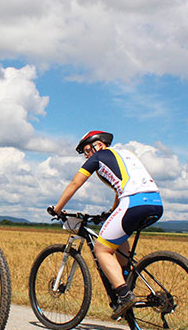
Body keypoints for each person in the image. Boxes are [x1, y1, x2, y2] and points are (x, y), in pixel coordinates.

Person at [49, 131, 163, 319]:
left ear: (99, 145)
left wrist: (58, 208)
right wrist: (112, 211)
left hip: (133, 203)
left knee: (102, 250)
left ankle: (125, 295)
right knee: (118, 246)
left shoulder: (99, 157)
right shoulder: (126, 154)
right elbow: (125, 185)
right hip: (155, 202)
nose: (86, 156)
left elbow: (75, 183)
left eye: (87, 150)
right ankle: (126, 280)